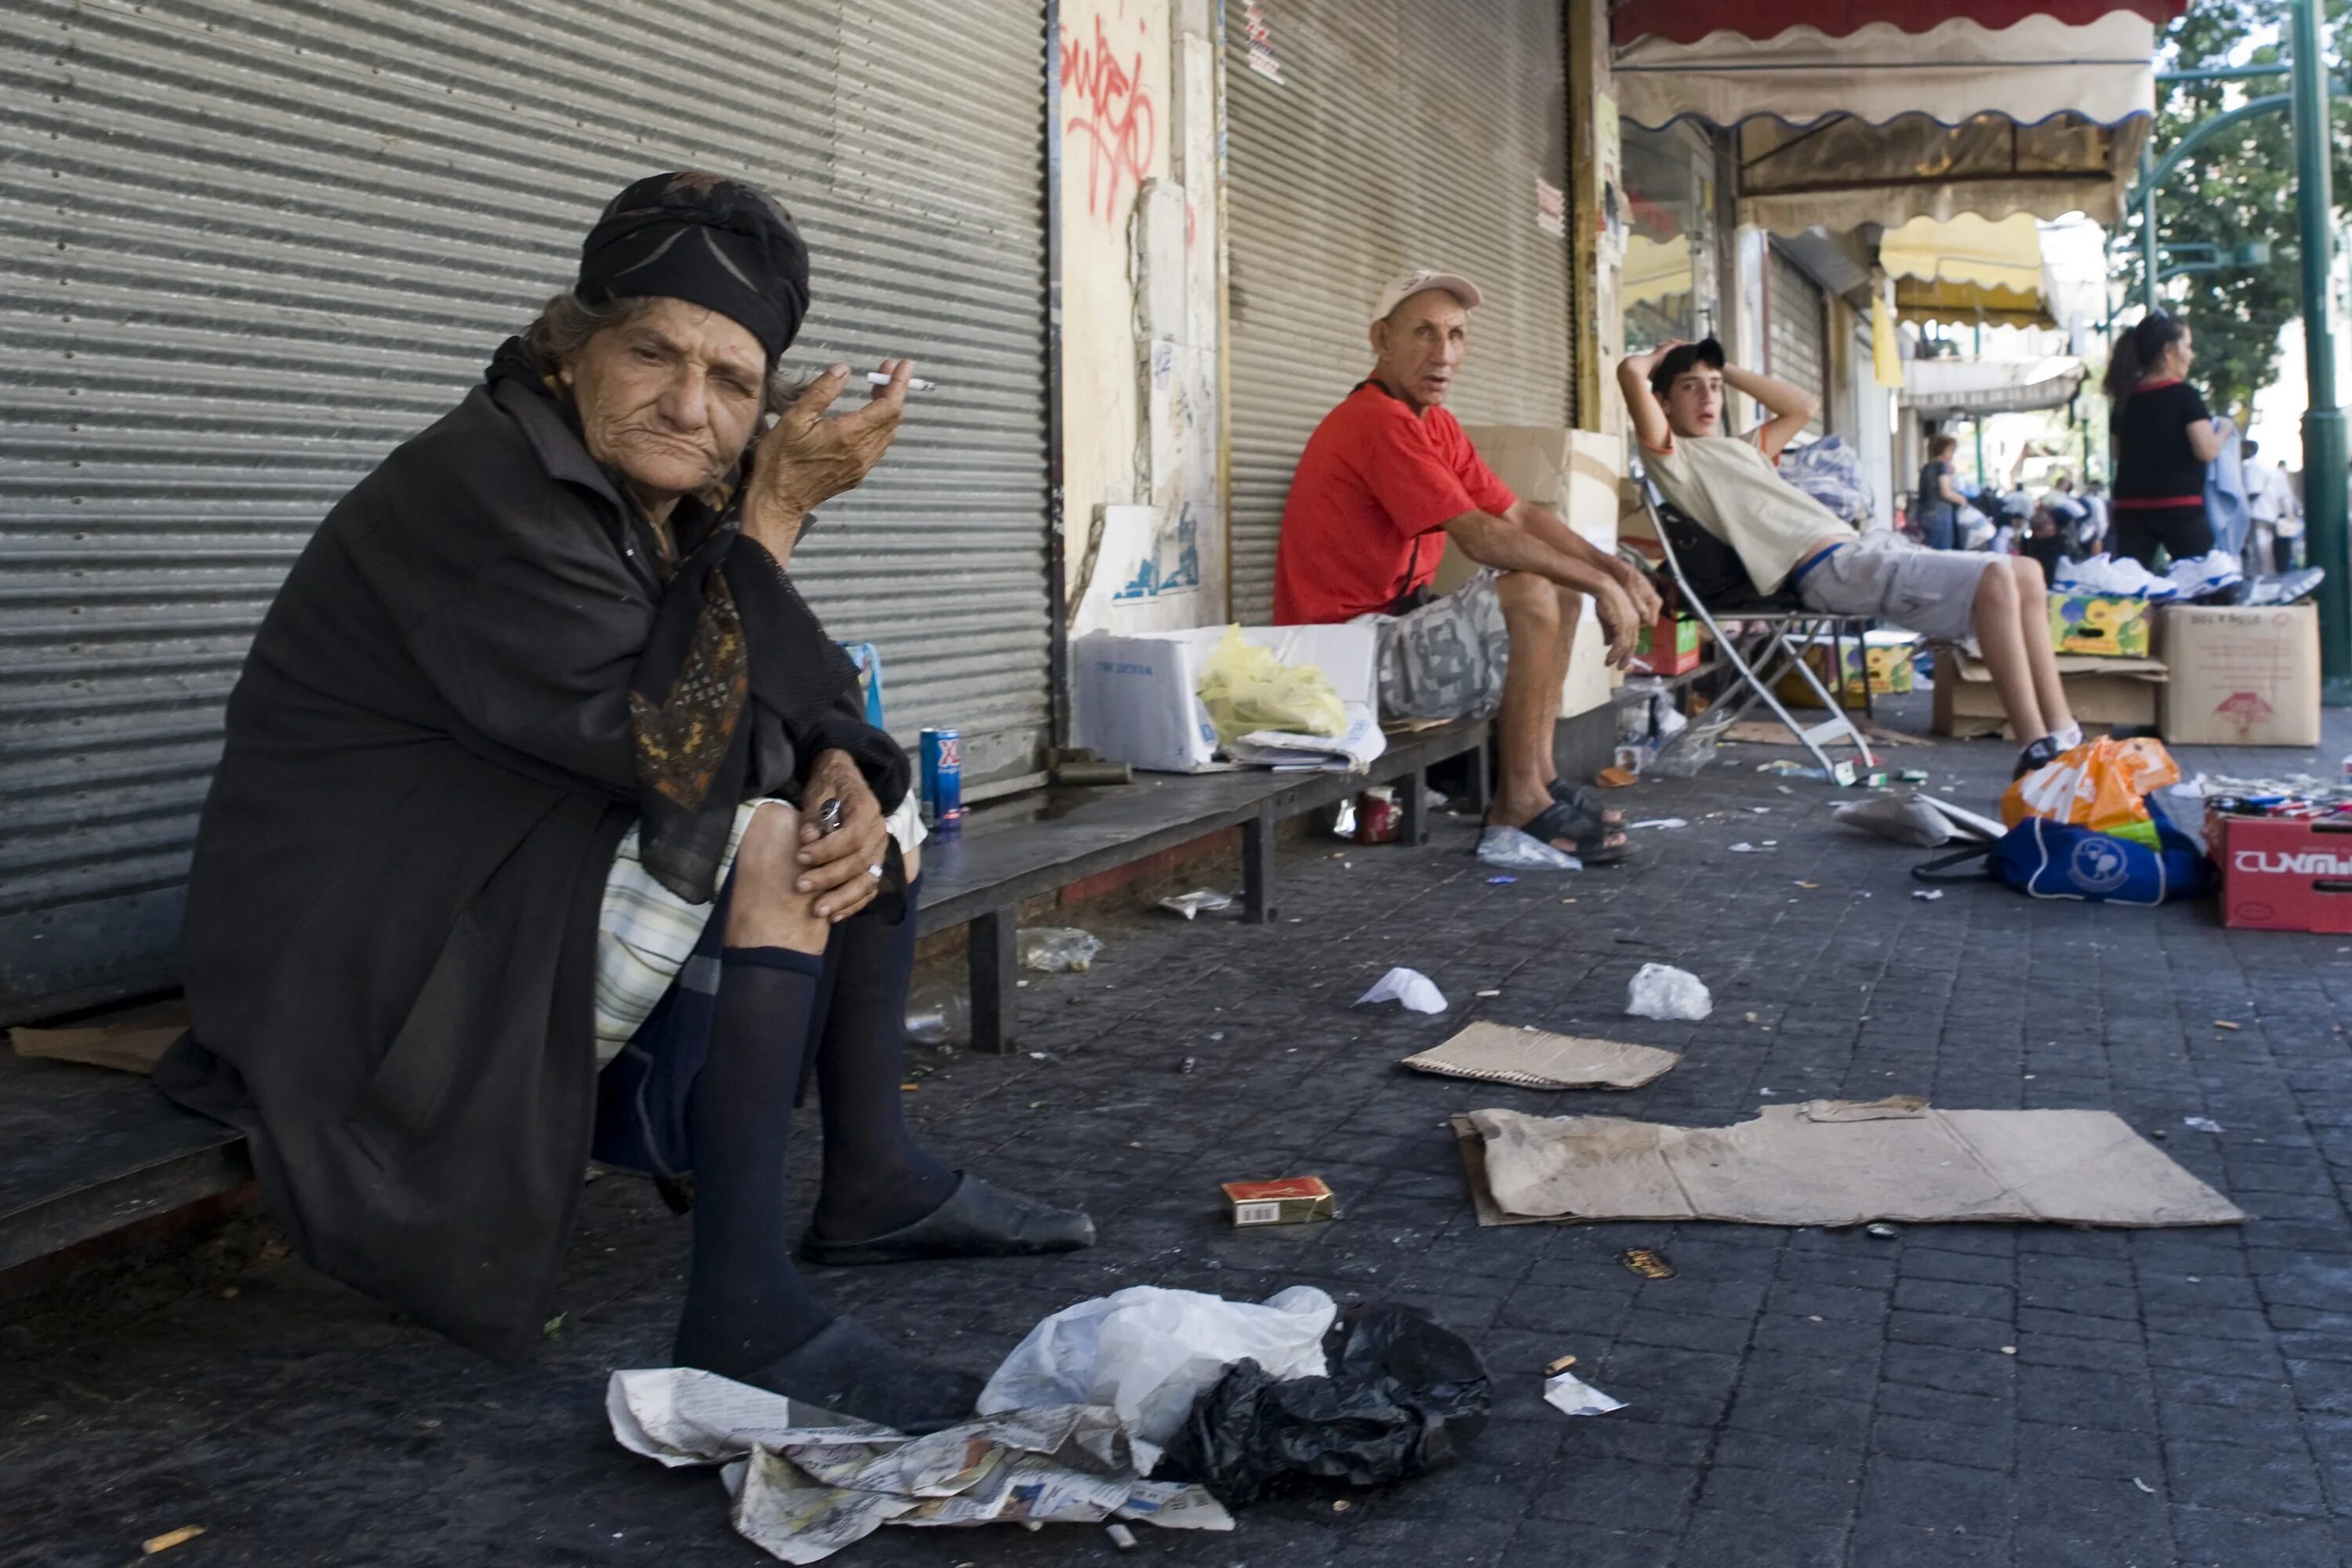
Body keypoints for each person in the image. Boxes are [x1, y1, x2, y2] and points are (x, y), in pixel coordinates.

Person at [154, 172, 1090, 1434]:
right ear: (569, 344)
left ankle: (874, 1181)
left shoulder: (649, 493)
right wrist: (773, 512)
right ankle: (739, 1310)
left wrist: (837, 762)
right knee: (768, 841)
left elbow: (792, 677)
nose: (688, 405)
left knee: (863, 803)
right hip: (352, 948)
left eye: (733, 382)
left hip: (491, 860)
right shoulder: (484, 489)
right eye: (651, 351)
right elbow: (674, 750)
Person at [1272, 270, 1662, 869]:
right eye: (1424, 334)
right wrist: (1601, 583)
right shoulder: (1376, 421)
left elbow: (1518, 512)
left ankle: (1539, 779)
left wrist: (1614, 570)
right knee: (1533, 588)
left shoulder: (1436, 424)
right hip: (1341, 661)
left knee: (1555, 589)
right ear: (1381, 340)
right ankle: (1518, 802)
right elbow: (1480, 535)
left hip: (1389, 633)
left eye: (1456, 336)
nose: (1444, 354)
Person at [1621, 339, 2080, 778]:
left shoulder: (1742, 450)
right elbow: (1629, 373)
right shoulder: (1676, 460)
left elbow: (1802, 407)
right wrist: (1662, 356)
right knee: (1997, 576)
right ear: (1662, 402)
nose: (1707, 396)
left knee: (2028, 572)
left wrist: (1721, 366)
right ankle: (2034, 748)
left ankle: (2064, 736)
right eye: (1689, 387)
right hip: (1826, 568)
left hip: (1862, 548)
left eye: (1715, 386)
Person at [2103, 313, 2223, 569]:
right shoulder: (2185, 396)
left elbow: (2117, 453)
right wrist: (2225, 430)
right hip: (2180, 506)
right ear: (2169, 351)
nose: (2192, 356)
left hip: (2130, 507)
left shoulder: (2124, 401)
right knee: (2205, 585)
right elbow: (2206, 450)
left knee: (2131, 589)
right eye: (2188, 347)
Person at [2244, 439, 2303, 572]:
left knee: (2260, 555)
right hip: (2270, 517)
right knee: (2269, 556)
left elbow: (2252, 492)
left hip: (2257, 517)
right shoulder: (2276, 474)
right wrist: (2290, 518)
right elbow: (2285, 500)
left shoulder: (2252, 468)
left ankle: (2264, 579)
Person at [1914, 434, 1965, 550]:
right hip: (1940, 515)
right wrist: (1962, 500)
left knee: (1929, 550)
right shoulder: (1942, 466)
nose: (1953, 454)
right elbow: (1946, 491)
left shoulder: (1927, 467)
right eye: (1952, 451)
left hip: (1924, 513)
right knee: (1942, 553)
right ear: (1945, 450)